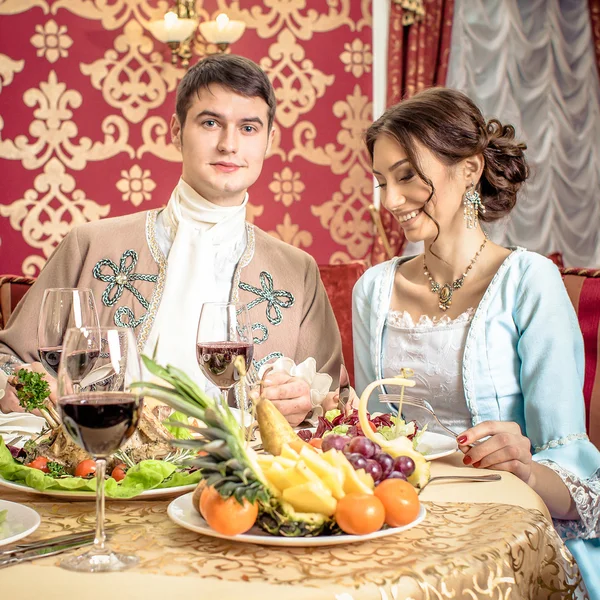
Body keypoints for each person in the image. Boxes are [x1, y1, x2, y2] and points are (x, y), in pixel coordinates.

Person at [0, 54, 343, 426]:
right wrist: (24, 386)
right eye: (211, 122)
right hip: (104, 464)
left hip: (240, 474)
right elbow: (9, 358)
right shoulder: (89, 245)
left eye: (248, 128)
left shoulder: (298, 270)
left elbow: (334, 401)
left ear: (269, 140)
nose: (229, 144)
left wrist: (303, 399)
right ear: (176, 131)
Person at [352, 87, 600, 598]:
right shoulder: (373, 289)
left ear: (469, 169)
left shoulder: (530, 281)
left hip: (507, 533)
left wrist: (526, 469)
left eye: (406, 177)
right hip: (398, 526)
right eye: (381, 182)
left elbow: (578, 481)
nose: (390, 201)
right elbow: (369, 428)